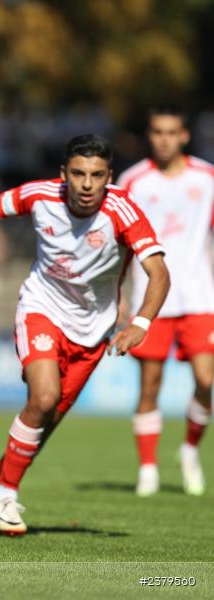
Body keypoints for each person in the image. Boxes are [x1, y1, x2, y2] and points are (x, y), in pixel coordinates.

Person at [0, 135, 170, 535]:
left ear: (109, 177)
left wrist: (140, 323)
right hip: (40, 308)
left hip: (93, 329)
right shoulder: (38, 196)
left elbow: (159, 272)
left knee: (45, 420)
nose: (87, 184)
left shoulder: (123, 211)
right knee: (43, 397)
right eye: (78, 174)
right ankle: (7, 496)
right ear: (64, 174)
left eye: (96, 175)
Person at [117, 104, 214, 497]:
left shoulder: (207, 178)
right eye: (157, 132)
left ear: (184, 136)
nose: (164, 139)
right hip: (150, 299)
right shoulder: (133, 181)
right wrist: (120, 293)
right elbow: (119, 243)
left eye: (171, 132)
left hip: (199, 295)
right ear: (149, 135)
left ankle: (190, 450)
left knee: (207, 380)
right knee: (149, 387)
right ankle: (148, 469)